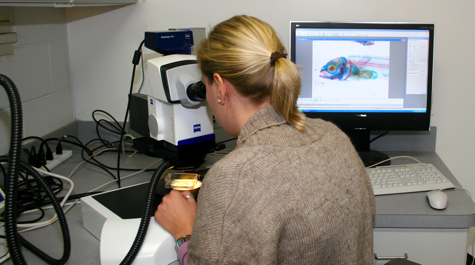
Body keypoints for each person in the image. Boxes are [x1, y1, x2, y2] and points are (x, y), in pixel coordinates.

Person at [154, 15, 375, 264]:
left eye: (205, 87)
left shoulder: (234, 178)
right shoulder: (335, 137)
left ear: (220, 86)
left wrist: (185, 233)